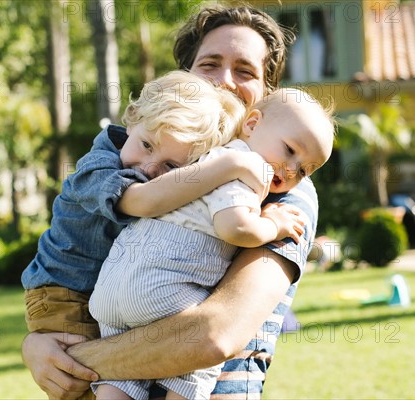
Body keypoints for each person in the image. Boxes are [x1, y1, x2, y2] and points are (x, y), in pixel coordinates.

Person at [21, 5, 318, 400]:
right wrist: (40, 343)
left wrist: (70, 358)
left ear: (265, 97)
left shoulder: (284, 190)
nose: (225, 81)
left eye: (245, 71)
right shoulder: (150, 158)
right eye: (209, 63)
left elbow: (213, 335)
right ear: (184, 77)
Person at [89, 87, 334, 400]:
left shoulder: (202, 154)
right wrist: (273, 225)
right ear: (253, 124)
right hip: (161, 288)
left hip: (111, 289)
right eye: (289, 150)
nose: (290, 169)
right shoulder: (248, 166)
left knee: (120, 381)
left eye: (303, 170)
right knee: (196, 360)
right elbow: (235, 227)